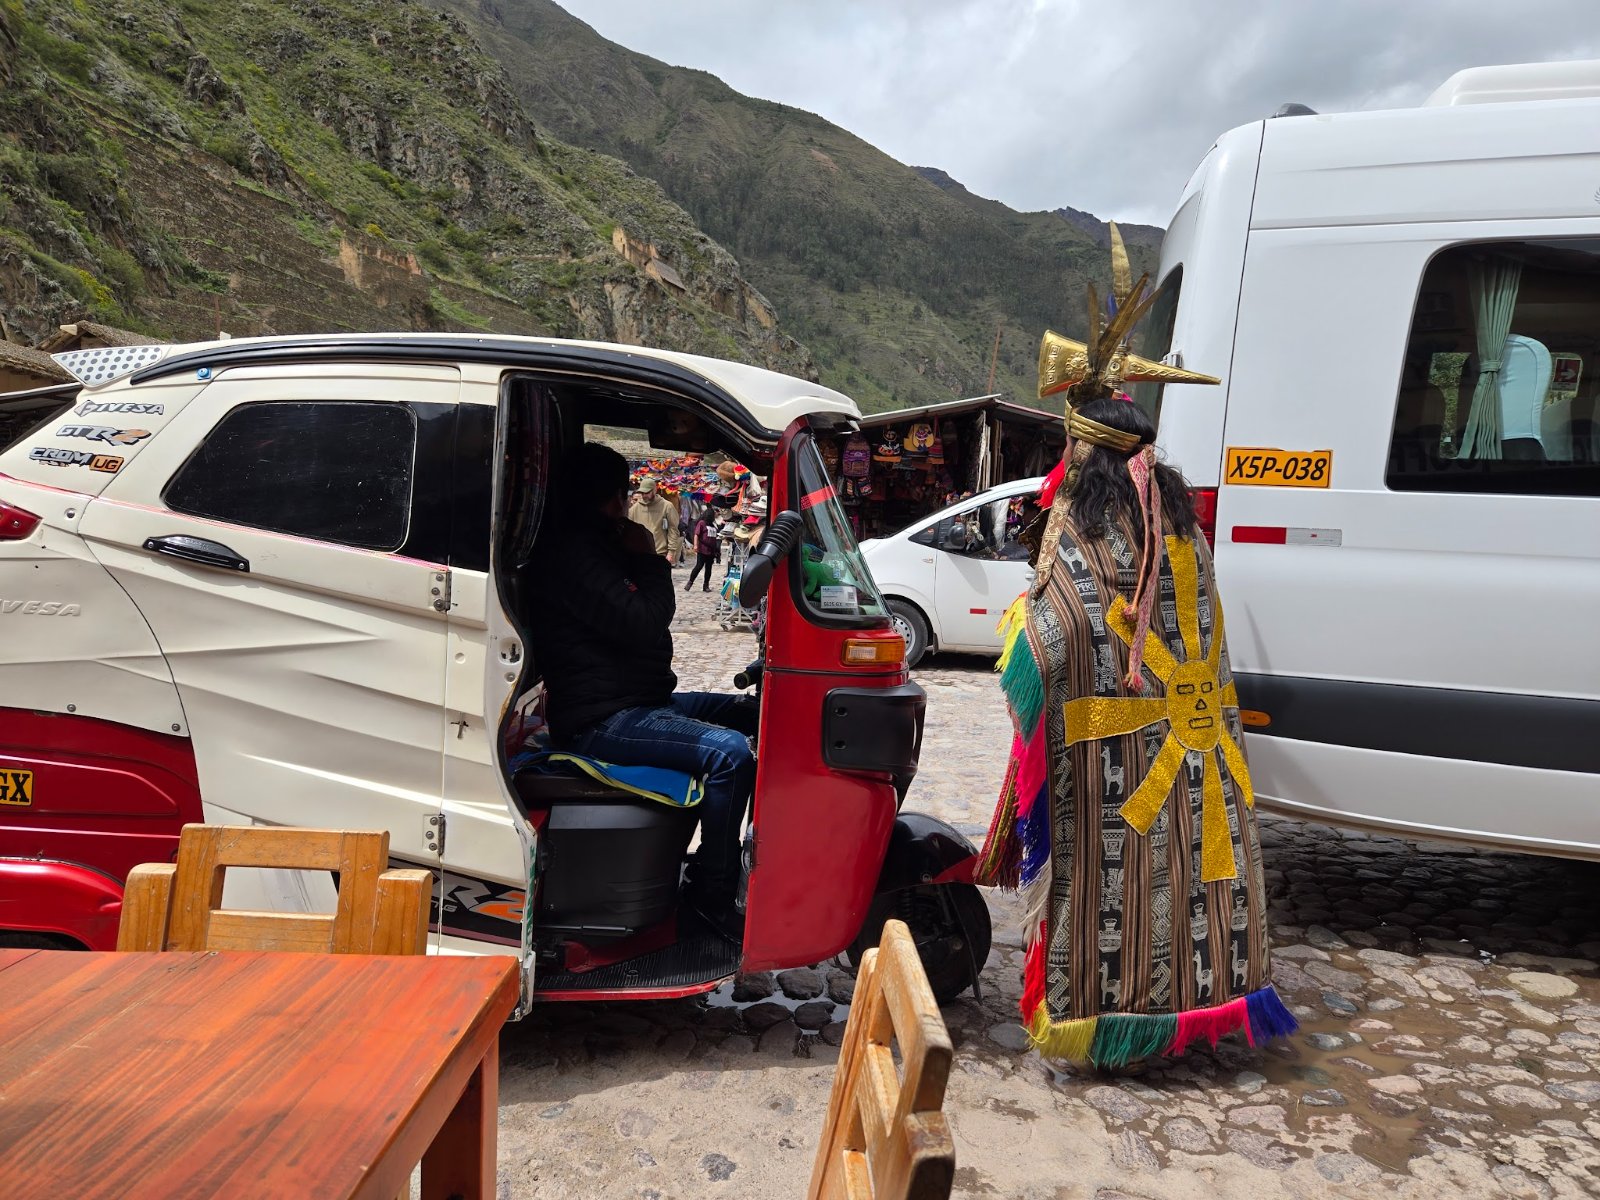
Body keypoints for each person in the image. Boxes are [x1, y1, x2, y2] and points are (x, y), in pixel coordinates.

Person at [975, 225, 1296, 1068]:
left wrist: (1026, 642)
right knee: (1194, 880)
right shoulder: (1183, 529)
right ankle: (1196, 1016)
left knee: (1120, 890)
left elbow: (1054, 632)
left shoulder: (1084, 525)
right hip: (1200, 751)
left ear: (1087, 451)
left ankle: (1119, 1034)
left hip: (1119, 755)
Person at [531, 443, 757, 939]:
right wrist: (650, 560)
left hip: (636, 699)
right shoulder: (578, 552)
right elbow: (645, 621)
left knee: (753, 715)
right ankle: (711, 892)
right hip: (603, 718)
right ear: (612, 498)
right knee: (730, 755)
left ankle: (749, 856)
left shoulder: (594, 545)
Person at [628, 475, 683, 564]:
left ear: (654, 490)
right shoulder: (635, 508)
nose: (644, 495)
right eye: (642, 493)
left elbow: (673, 530)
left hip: (660, 554)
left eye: (647, 492)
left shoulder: (667, 506)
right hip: (640, 554)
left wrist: (671, 552)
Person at [685, 510, 721, 592]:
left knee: (708, 569)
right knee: (699, 566)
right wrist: (695, 545)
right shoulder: (702, 523)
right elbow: (696, 534)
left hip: (711, 551)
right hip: (702, 549)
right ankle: (690, 582)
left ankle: (706, 585)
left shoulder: (713, 525)